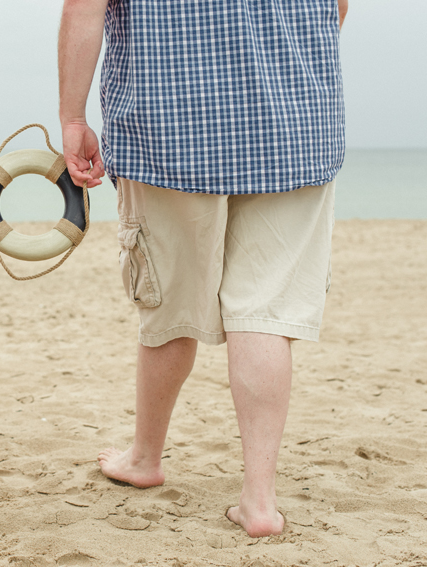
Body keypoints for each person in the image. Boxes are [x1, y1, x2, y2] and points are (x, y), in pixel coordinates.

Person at [59, 0, 348, 537]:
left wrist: (73, 116)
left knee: (170, 303)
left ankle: (145, 457)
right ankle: (260, 502)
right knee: (265, 313)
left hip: (170, 128)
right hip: (295, 124)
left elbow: (85, 7)